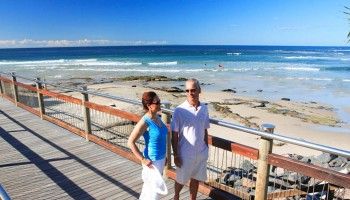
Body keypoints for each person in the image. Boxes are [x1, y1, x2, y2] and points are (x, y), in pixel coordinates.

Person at [171, 78, 210, 200]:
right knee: (181, 179)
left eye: (193, 90)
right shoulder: (179, 110)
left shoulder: (204, 108)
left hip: (201, 152)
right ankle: (176, 196)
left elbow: (205, 129)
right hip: (185, 153)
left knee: (196, 179)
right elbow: (174, 135)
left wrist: (206, 147)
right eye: (187, 90)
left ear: (199, 90)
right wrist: (176, 154)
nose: (190, 93)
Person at [127, 91, 168, 200]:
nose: (160, 103)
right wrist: (143, 159)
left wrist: (164, 157)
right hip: (151, 162)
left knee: (148, 191)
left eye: (159, 101)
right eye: (157, 102)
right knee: (153, 193)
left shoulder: (157, 117)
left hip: (160, 160)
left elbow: (161, 140)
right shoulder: (145, 121)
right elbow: (130, 142)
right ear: (149, 105)